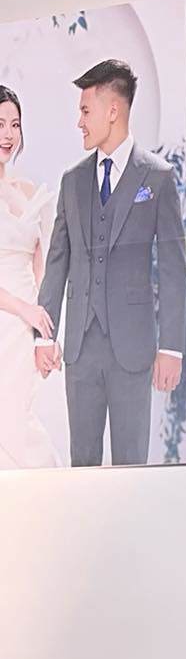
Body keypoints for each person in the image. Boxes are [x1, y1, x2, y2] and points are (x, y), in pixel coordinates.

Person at [35, 59, 186, 467]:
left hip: (133, 351)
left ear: (113, 111)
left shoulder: (158, 177)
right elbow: (57, 260)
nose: (79, 122)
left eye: (85, 111)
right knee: (82, 465)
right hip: (80, 352)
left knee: (132, 466)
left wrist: (171, 347)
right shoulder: (72, 181)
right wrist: (43, 336)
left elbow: (173, 268)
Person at [0, 85, 61, 469]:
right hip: (8, 315)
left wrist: (45, 333)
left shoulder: (27, 190)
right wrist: (23, 309)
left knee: (23, 411)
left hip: (28, 327)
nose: (8, 134)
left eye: (15, 124)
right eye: (0, 124)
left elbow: (42, 266)